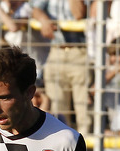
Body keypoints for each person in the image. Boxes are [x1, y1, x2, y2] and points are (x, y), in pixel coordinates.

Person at [30, 0, 89, 136]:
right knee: (57, 109)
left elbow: (79, 13)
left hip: (81, 52)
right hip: (56, 50)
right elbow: (34, 9)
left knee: (84, 111)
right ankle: (63, 148)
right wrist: (44, 19)